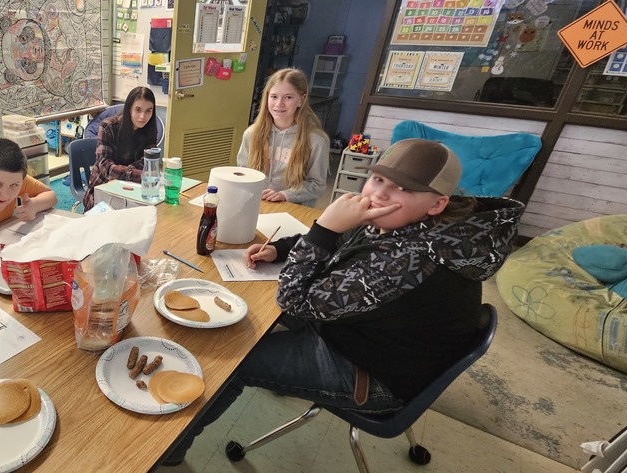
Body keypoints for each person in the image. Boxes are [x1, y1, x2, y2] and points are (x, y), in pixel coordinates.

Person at [164, 138, 524, 465]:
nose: (380, 194)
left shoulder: (411, 261)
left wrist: (325, 230)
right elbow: (349, 240)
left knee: (234, 363)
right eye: (379, 179)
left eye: (404, 189)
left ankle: (168, 455)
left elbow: (294, 300)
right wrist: (282, 248)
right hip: (366, 332)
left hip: (372, 371)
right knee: (245, 317)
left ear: (437, 204)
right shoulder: (412, 223)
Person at [237, 68, 330, 207]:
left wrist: (285, 195)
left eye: (288, 97)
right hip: (257, 204)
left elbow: (317, 185)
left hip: (294, 209)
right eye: (274, 96)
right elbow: (242, 173)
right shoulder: (252, 134)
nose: (279, 103)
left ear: (301, 100)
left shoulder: (316, 140)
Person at [82, 86, 159, 210]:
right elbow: (105, 166)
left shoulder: (150, 128)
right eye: (138, 110)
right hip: (103, 187)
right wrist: (138, 175)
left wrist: (128, 174)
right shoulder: (108, 126)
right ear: (129, 108)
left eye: (148, 111)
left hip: (132, 188)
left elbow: (147, 161)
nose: (142, 117)